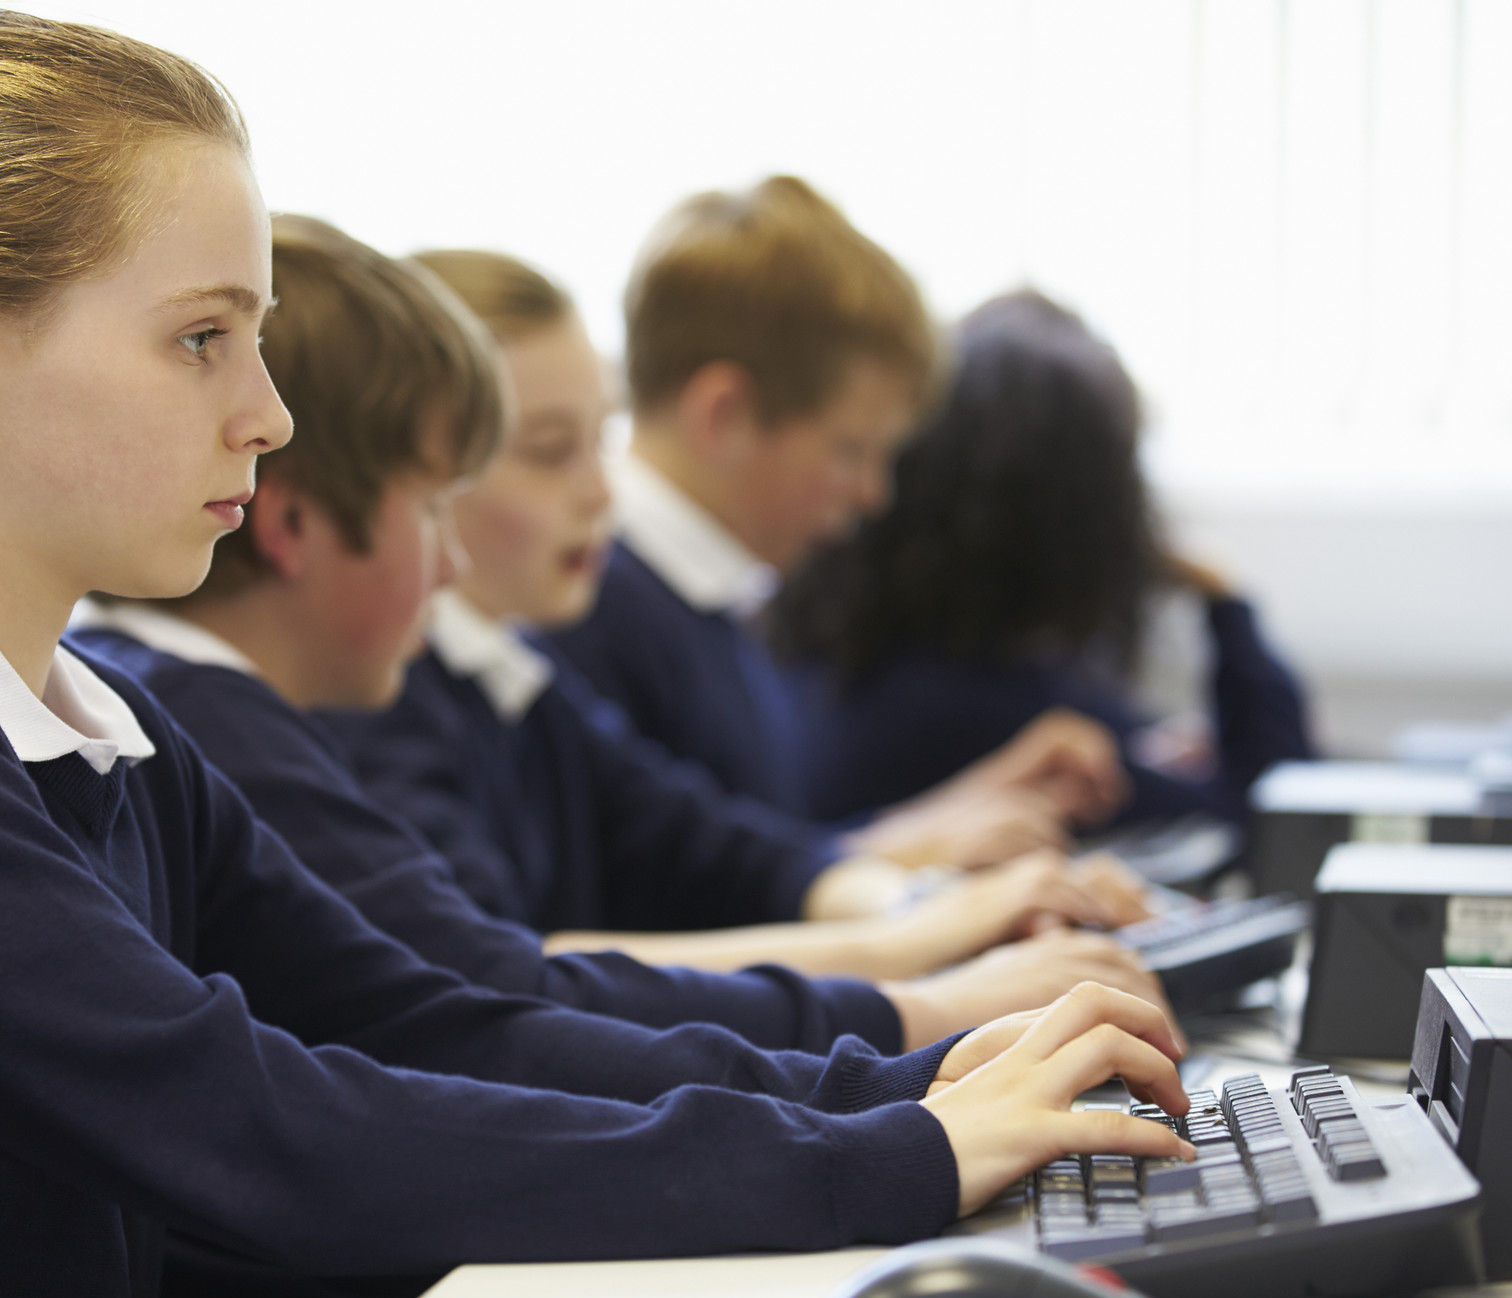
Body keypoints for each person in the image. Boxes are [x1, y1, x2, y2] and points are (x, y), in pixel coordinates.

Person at [0, 13, 1193, 1298]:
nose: (268, 411)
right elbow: (255, 1123)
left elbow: (440, 1004)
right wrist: (881, 1155)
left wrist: (907, 1085)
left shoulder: (101, 722)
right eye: (200, 337)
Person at [75, 219, 1163, 1065]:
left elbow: (700, 854)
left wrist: (921, 945)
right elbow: (497, 1003)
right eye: (442, 497)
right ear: (294, 520)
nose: (448, 565)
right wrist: (913, 1010)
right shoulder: (228, 723)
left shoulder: (447, 685)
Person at [545, 178, 1128, 843]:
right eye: (851, 451)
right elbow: (684, 921)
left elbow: (753, 868)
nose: (873, 495)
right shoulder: (590, 610)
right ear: (725, 416)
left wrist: (955, 816)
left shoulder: (708, 601)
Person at [770, 290, 1317, 828]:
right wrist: (1226, 597)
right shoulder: (1000, 707)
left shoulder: (839, 663)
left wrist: (1144, 745)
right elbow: (1275, 805)